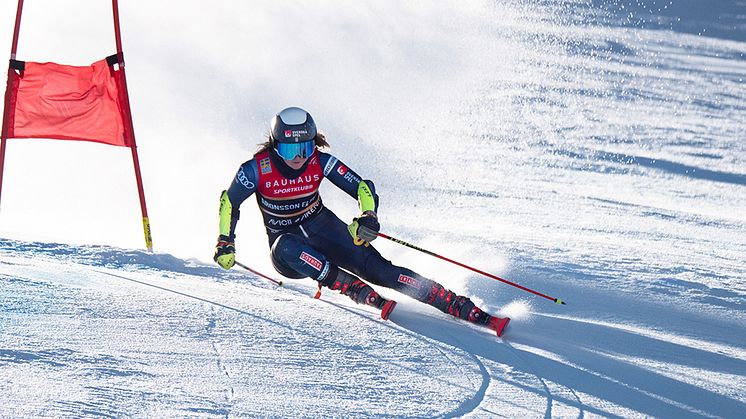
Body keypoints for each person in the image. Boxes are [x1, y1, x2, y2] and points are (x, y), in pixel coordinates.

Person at [213, 107, 510, 336]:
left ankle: (454, 303)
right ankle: (351, 288)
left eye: (304, 148)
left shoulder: (320, 161)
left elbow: (362, 188)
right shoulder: (256, 169)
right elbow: (230, 201)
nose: (298, 158)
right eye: (290, 150)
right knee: (285, 247)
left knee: (380, 269)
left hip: (322, 227)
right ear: (275, 146)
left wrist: (368, 217)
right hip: (289, 250)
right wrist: (225, 242)